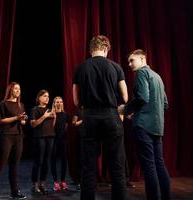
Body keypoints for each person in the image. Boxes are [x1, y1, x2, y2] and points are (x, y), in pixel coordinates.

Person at [73, 35, 129, 200]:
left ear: (91, 49)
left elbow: (76, 100)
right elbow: (125, 97)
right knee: (117, 169)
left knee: (88, 169)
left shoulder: (80, 68)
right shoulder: (116, 67)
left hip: (89, 118)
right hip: (111, 118)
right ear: (106, 49)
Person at [124, 49, 171, 200]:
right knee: (159, 164)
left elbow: (143, 97)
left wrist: (126, 109)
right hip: (157, 127)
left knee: (149, 166)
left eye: (132, 60)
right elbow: (164, 104)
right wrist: (139, 112)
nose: (129, 64)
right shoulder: (157, 76)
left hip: (143, 126)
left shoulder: (142, 73)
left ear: (143, 58)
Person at [0, 82, 27, 200]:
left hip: (18, 136)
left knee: (14, 165)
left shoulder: (21, 104)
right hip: (6, 136)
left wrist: (22, 120)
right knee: (0, 165)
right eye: (16, 88)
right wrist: (17, 118)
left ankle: (14, 192)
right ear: (10, 90)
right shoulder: (3, 103)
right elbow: (0, 121)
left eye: (19, 89)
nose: (18, 91)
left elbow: (23, 122)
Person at [30, 89, 56, 195]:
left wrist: (54, 117)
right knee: (39, 161)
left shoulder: (50, 110)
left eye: (48, 96)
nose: (47, 98)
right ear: (39, 98)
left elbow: (52, 125)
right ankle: (34, 184)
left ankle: (42, 183)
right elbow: (33, 124)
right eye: (45, 96)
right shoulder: (35, 110)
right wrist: (44, 116)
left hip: (50, 137)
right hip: (39, 137)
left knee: (46, 161)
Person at [51, 96, 70, 191]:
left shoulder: (65, 115)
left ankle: (63, 181)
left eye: (60, 102)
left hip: (62, 140)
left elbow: (66, 127)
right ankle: (55, 182)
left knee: (63, 160)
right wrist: (54, 116)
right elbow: (50, 128)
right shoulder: (51, 114)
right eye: (57, 102)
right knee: (53, 160)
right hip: (53, 140)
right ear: (54, 103)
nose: (59, 103)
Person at [71, 106, 84, 191]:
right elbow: (73, 122)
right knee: (81, 159)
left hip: (91, 137)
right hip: (81, 137)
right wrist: (83, 120)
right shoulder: (78, 110)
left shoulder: (92, 109)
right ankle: (80, 181)